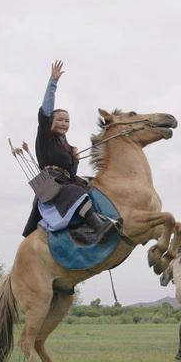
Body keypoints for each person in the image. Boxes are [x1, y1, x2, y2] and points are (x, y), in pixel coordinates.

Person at [22, 61, 116, 243]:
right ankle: (99, 228)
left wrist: (75, 159)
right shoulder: (45, 136)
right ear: (51, 122)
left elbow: (72, 174)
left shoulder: (66, 145)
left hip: (66, 180)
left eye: (67, 121)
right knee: (74, 192)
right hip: (51, 184)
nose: (64, 123)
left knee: (91, 188)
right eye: (61, 120)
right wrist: (53, 82)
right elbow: (46, 112)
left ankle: (85, 228)